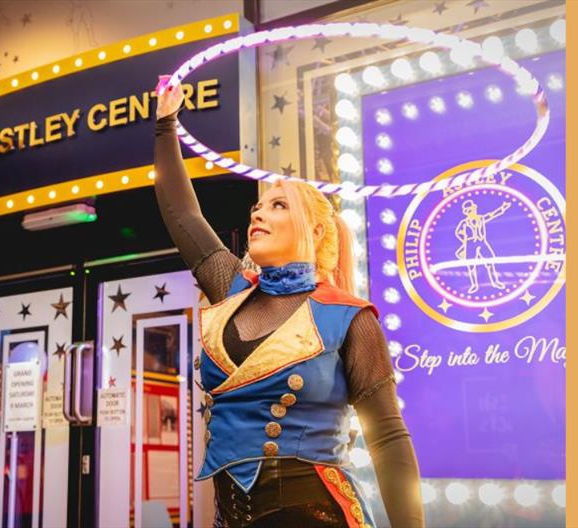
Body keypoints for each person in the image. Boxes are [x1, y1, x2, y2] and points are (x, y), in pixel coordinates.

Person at [153, 77, 424, 528]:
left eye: (278, 205)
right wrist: (165, 124)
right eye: (257, 207)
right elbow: (183, 215)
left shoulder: (350, 318)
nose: (257, 212)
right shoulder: (231, 289)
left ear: (316, 233)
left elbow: (389, 438)